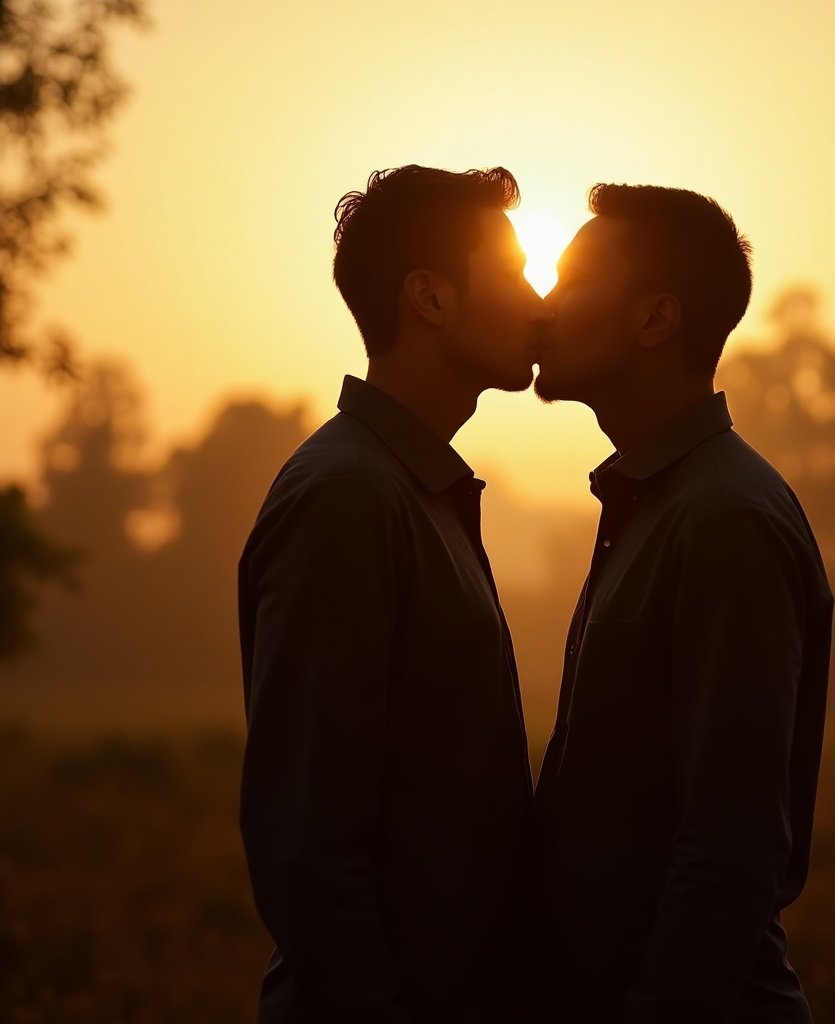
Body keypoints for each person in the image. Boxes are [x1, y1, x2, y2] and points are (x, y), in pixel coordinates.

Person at [238, 165, 549, 1023]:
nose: (539, 300)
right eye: (516, 271)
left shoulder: (410, 491)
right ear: (431, 298)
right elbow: (306, 839)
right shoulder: (348, 498)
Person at [531, 184, 834, 1023]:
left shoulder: (725, 519)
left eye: (569, 282)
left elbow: (731, 841)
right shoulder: (659, 504)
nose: (541, 310)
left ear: (655, 319)